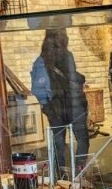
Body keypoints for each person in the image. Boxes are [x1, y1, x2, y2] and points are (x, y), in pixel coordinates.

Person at [31, 29, 89, 176]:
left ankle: (61, 177)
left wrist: (47, 105)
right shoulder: (66, 56)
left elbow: (38, 89)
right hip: (73, 105)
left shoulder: (41, 61)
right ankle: (78, 174)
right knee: (82, 139)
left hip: (56, 108)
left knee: (59, 145)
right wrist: (80, 79)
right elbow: (72, 77)